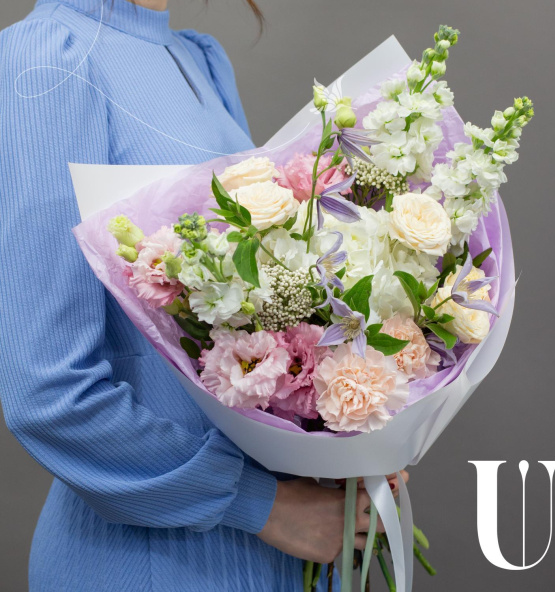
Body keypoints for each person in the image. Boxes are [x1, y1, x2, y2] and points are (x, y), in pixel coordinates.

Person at [0, 1, 407, 590]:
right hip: (153, 563)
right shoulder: (48, 58)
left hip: (285, 549)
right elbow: (48, 393)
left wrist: (345, 440)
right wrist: (262, 504)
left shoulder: (198, 58)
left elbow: (247, 318)